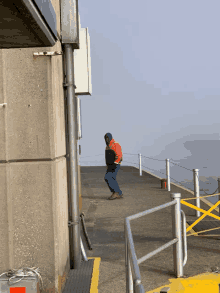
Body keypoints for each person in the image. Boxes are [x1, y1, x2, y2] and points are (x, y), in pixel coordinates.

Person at [104, 133, 123, 200]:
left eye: (107, 138)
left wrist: (115, 164)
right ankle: (119, 193)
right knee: (111, 178)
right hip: (110, 165)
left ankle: (115, 192)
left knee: (108, 177)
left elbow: (119, 156)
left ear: (110, 138)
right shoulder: (107, 146)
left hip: (115, 165)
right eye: (105, 138)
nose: (106, 140)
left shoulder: (115, 144)